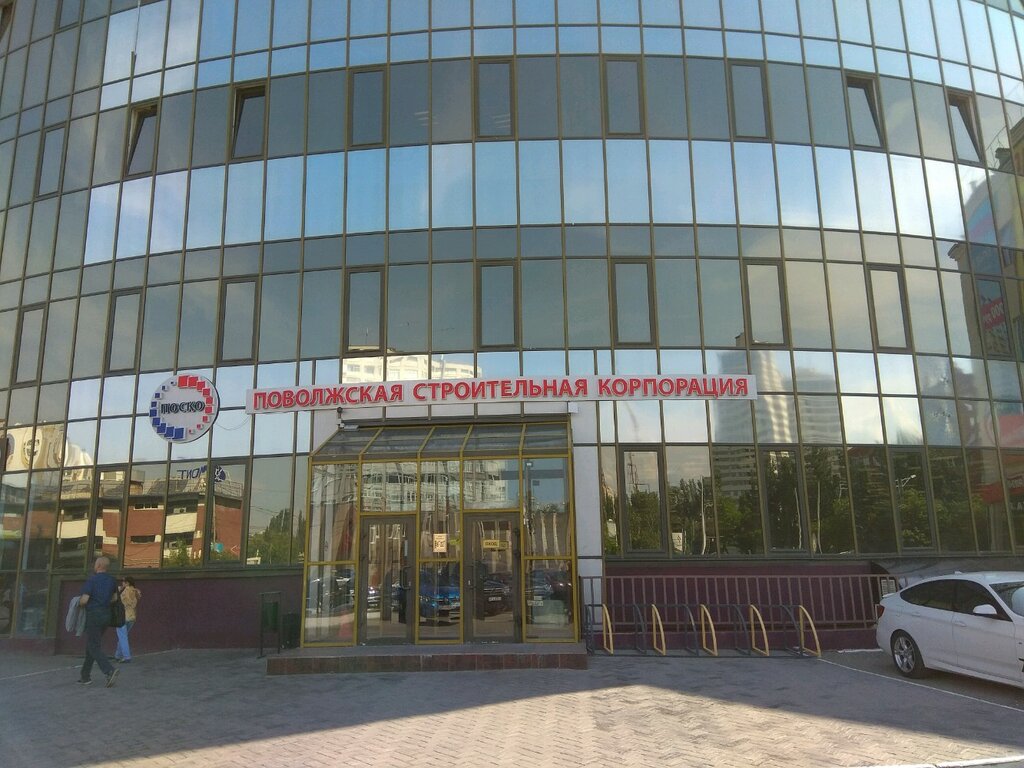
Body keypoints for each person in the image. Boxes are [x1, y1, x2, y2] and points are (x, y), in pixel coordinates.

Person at [78, 556, 119, 687]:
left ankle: (109, 671)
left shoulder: (92, 580)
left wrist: (78, 603)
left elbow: (84, 600)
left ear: (99, 565)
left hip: (94, 615)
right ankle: (85, 676)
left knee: (93, 646)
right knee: (92, 644)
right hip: (106, 616)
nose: (94, 566)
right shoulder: (112, 580)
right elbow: (115, 598)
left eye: (95, 564)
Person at [113, 577, 141, 663]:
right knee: (123, 636)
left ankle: (126, 656)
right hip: (132, 616)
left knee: (122, 636)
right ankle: (118, 655)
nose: (122, 583)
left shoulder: (124, 591)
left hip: (122, 616)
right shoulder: (136, 591)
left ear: (127, 583)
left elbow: (115, 599)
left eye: (123, 581)